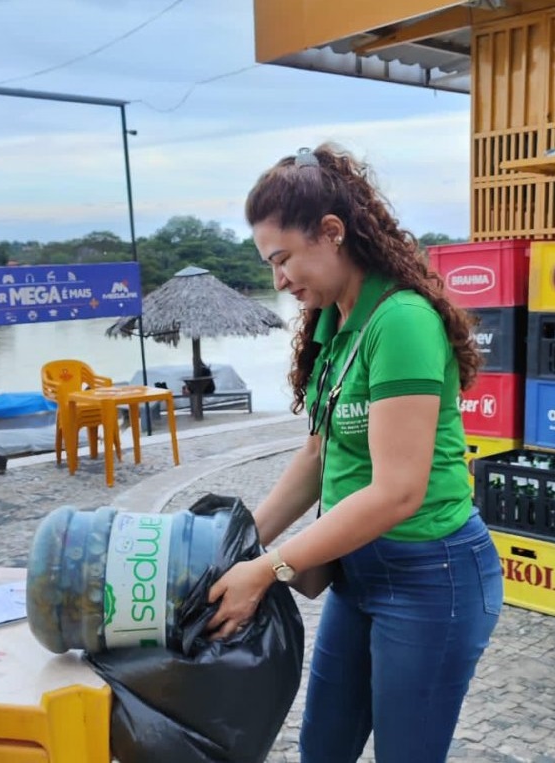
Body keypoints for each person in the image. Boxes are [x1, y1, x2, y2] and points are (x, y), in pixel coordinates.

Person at [206, 143, 503, 763]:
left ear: (332, 233)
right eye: (269, 265)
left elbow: (398, 491)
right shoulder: (331, 323)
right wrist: (238, 544)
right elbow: (317, 457)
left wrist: (267, 569)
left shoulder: (402, 321)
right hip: (355, 574)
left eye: (283, 259)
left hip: (432, 576)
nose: (279, 281)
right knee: (323, 750)